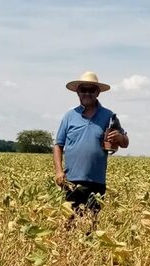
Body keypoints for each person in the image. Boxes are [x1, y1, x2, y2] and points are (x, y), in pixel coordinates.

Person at [53, 71, 129, 215]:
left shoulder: (109, 116)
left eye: (91, 90)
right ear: (78, 92)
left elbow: (125, 142)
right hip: (71, 181)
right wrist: (58, 171)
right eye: (83, 90)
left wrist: (119, 137)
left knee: (92, 226)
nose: (87, 93)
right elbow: (58, 145)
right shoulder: (69, 116)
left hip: (97, 181)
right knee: (69, 224)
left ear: (98, 92)